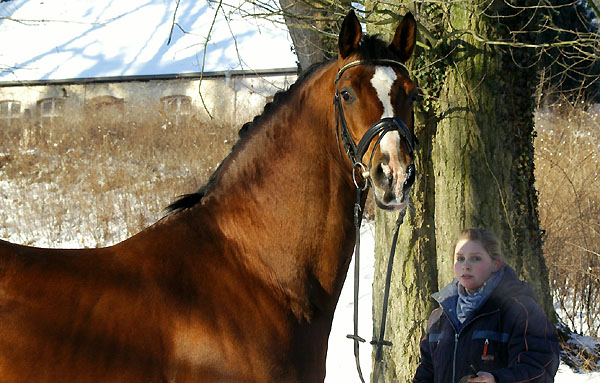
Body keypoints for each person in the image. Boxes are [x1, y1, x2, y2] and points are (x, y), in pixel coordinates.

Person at [413, 228, 559, 383]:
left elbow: (540, 367)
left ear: (496, 264)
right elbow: (426, 372)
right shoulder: (440, 317)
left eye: (476, 258)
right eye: (460, 258)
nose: (466, 265)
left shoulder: (520, 311)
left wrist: (497, 379)